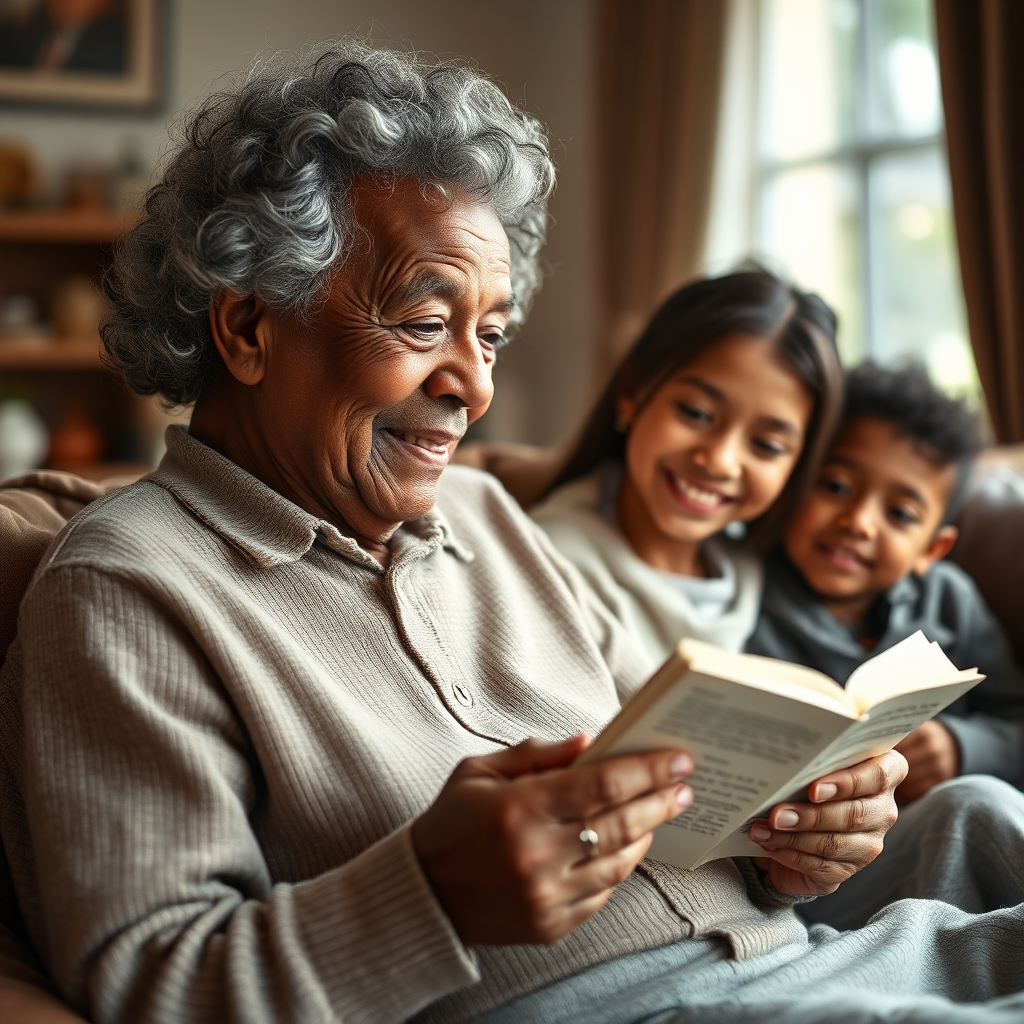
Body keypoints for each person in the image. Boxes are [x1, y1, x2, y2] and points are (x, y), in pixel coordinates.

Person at [1, 37, 1024, 1024]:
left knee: (983, 813)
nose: (474, 386)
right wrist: (431, 894)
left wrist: (797, 832)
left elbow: (684, 788)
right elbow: (149, 983)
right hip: (656, 1005)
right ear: (249, 328)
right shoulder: (127, 587)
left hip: (790, 953)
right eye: (422, 322)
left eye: (488, 334)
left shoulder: (486, 512)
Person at [529, 268, 844, 664]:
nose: (720, 461)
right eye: (696, 413)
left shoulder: (766, 574)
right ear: (632, 394)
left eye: (766, 445)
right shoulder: (548, 559)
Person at [746, 362, 1024, 803]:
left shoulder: (950, 601)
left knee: (980, 802)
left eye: (899, 514)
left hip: (923, 827)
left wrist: (961, 746)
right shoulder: (743, 592)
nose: (858, 523)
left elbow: (1016, 719)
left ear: (931, 550)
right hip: (789, 838)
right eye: (835, 486)